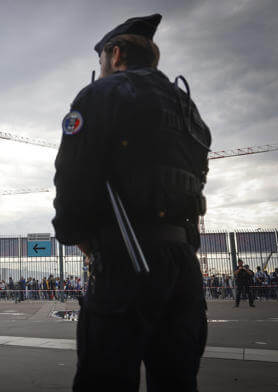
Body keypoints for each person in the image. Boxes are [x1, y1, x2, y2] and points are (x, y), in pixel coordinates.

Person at [53, 14, 211, 391]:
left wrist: (79, 238)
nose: (102, 69)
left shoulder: (100, 94)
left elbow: (71, 176)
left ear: (116, 53)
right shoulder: (188, 108)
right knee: (177, 379)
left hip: (126, 260)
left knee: (104, 379)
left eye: (102, 62)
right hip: (183, 266)